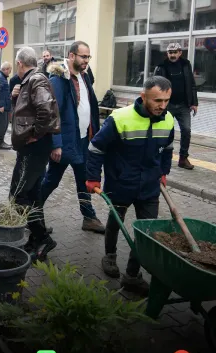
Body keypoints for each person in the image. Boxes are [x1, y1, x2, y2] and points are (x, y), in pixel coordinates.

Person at [86, 76, 175, 297]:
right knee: (116, 221)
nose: (162, 106)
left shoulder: (168, 119)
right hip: (121, 181)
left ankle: (132, 275)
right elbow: (96, 147)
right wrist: (93, 178)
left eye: (166, 101)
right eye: (157, 101)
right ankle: (110, 256)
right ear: (143, 96)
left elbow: (169, 149)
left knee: (146, 231)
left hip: (149, 186)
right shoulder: (120, 118)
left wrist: (163, 172)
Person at [42, 41, 106, 234]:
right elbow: (53, 114)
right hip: (65, 142)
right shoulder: (59, 80)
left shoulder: (85, 77)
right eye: (83, 56)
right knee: (51, 180)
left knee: (84, 179)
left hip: (83, 140)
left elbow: (90, 107)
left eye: (88, 57)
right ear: (71, 56)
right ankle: (31, 213)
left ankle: (89, 217)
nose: (86, 60)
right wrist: (55, 144)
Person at [9, 46, 61, 261]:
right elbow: (29, 110)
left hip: (34, 148)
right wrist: (16, 97)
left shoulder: (36, 80)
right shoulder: (29, 81)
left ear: (20, 63)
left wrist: (35, 135)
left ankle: (42, 238)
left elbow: (46, 111)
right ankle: (36, 240)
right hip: (33, 149)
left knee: (18, 195)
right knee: (32, 195)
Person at [154, 42, 198, 170]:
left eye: (175, 52)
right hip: (167, 105)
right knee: (165, 131)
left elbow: (192, 84)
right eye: (170, 53)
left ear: (180, 53)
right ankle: (159, 156)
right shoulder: (161, 66)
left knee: (186, 130)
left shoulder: (185, 65)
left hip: (184, 105)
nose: (172, 55)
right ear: (167, 54)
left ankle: (183, 158)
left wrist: (194, 102)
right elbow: (155, 86)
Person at [0, 62, 12, 150]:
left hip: (4, 106)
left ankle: (1, 142)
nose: (10, 72)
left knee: (5, 124)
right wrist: (0, 106)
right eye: (10, 70)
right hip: (2, 107)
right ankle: (0, 143)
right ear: (6, 69)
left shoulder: (1, 77)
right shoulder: (0, 77)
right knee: (3, 124)